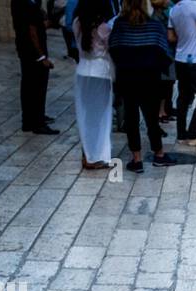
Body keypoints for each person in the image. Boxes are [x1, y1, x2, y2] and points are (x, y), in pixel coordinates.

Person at [109, 0, 177, 170]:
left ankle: (137, 159)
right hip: (150, 78)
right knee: (152, 119)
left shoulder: (119, 25)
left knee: (131, 119)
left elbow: (113, 48)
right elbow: (164, 53)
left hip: (127, 77)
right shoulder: (154, 25)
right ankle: (159, 154)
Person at [73, 0, 113, 168]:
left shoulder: (77, 23)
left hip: (82, 70)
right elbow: (110, 49)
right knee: (101, 116)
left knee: (87, 114)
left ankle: (87, 153)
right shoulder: (104, 28)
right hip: (100, 71)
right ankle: (96, 155)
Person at [169, 0, 196, 144]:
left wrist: (184, 36)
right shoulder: (195, 5)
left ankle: (181, 135)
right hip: (194, 59)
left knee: (183, 97)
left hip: (180, 58)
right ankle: (193, 134)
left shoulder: (174, 9)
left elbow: (171, 37)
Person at [12, 0, 57, 132]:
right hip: (33, 52)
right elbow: (31, 30)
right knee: (37, 86)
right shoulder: (27, 4)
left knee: (28, 85)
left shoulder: (25, 4)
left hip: (25, 49)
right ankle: (38, 123)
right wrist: (42, 56)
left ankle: (29, 120)